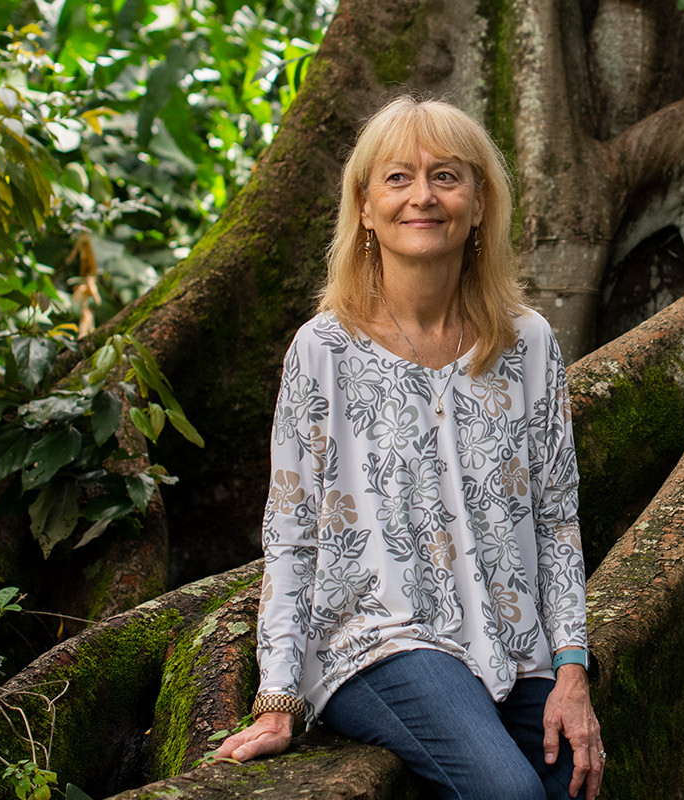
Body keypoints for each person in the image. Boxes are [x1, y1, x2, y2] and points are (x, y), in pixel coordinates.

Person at [216, 95, 604, 800]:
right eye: (397, 178)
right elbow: (292, 533)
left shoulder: (530, 344)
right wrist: (277, 698)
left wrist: (572, 669)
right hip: (376, 643)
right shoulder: (323, 349)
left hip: (515, 648)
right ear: (363, 206)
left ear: (480, 203)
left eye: (446, 176)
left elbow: (556, 520)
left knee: (571, 788)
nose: (422, 195)